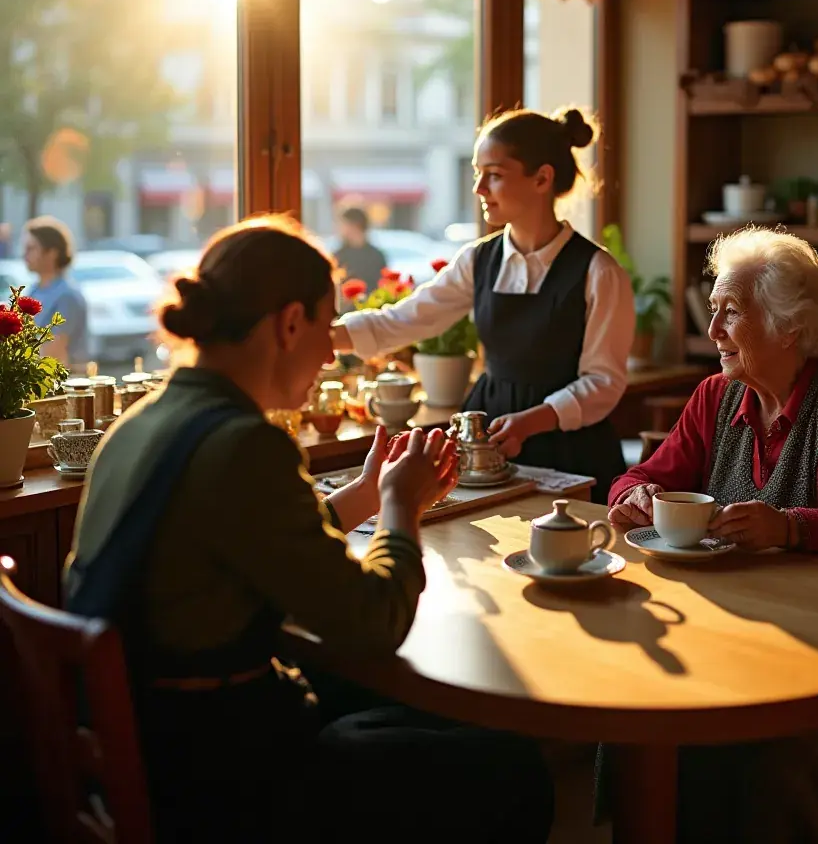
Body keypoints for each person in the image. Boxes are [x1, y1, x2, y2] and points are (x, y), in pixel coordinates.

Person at [64, 215, 553, 844]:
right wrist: (400, 508)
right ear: (290, 323)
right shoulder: (246, 444)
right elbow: (375, 623)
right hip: (223, 779)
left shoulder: (142, 423)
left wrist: (364, 495)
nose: (328, 354)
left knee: (412, 711)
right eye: (327, 328)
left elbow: (252, 540)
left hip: (150, 737)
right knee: (513, 769)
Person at [605, 227, 818, 844]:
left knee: (774, 757)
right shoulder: (715, 397)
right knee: (645, 709)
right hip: (731, 640)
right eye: (713, 311)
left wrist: (791, 527)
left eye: (730, 312)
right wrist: (635, 497)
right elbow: (642, 475)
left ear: (788, 326)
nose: (713, 331)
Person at [331, 107, 634, 504]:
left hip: (570, 449)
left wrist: (531, 422)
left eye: (494, 174)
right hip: (488, 443)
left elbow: (603, 383)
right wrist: (325, 338)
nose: (478, 188)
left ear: (542, 178)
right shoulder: (478, 260)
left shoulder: (599, 271)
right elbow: (406, 320)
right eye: (477, 173)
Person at [22, 216, 88, 367]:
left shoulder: (67, 296)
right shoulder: (33, 291)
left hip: (64, 380)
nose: (24, 255)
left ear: (52, 252)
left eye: (31, 248)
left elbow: (53, 354)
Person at [333, 205, 387, 287]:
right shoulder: (338, 256)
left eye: (343, 224)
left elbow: (382, 285)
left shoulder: (376, 256)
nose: (339, 229)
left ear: (355, 225)